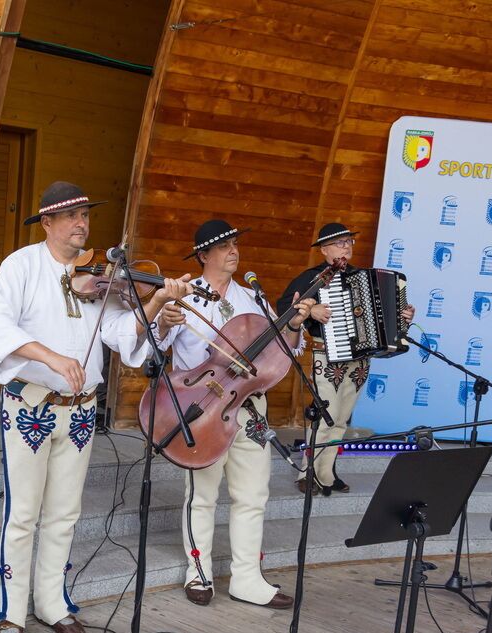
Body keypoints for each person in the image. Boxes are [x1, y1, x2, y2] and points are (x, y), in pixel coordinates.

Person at [0, 181, 190, 633]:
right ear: (47, 223)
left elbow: (120, 333)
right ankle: (12, 612)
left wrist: (157, 304)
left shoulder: (102, 278)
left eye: (86, 215)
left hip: (79, 410)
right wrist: (51, 356)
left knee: (65, 512)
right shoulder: (20, 266)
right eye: (72, 216)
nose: (82, 223)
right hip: (31, 406)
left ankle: (52, 603)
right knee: (23, 513)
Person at [155, 220, 312, 608]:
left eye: (235, 244)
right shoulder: (185, 297)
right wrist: (161, 321)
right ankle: (198, 572)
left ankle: (247, 578)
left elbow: (285, 350)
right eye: (224, 246)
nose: (233, 251)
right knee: (202, 495)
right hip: (203, 409)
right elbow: (154, 343)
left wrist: (293, 325)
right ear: (203, 255)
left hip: (251, 408)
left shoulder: (253, 298)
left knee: (253, 495)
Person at [276, 222, 415, 496]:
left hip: (359, 359)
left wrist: (402, 318)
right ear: (324, 249)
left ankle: (326, 473)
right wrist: (311, 309)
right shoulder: (312, 277)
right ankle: (307, 472)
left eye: (349, 241)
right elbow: (284, 306)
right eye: (339, 243)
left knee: (341, 419)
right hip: (326, 356)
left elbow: (381, 317)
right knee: (325, 416)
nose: (346, 246)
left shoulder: (362, 276)